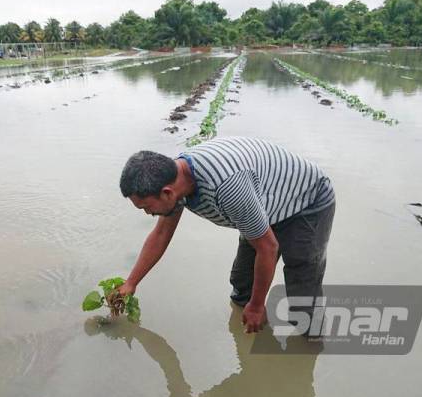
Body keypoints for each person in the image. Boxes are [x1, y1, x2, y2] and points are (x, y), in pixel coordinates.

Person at [117, 136, 335, 334]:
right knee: (243, 283)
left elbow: (267, 247)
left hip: (307, 200)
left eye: (146, 207)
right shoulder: (175, 177)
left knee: (302, 289)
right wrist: (131, 283)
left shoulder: (227, 188)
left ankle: (309, 348)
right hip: (262, 202)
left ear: (167, 193)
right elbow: (161, 233)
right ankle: (253, 342)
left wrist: (258, 306)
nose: (149, 213)